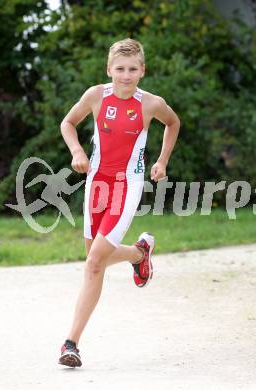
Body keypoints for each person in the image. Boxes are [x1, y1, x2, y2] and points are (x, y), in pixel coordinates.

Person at [58, 38, 180, 368]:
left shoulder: (151, 103)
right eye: (120, 69)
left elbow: (173, 123)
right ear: (109, 69)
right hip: (97, 184)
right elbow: (67, 123)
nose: (126, 76)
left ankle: (71, 344)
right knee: (94, 258)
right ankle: (140, 253)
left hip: (127, 186)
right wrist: (78, 152)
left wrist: (162, 161)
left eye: (133, 69)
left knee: (95, 262)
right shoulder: (96, 96)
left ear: (143, 71)